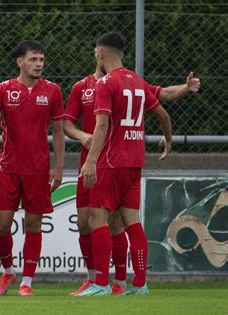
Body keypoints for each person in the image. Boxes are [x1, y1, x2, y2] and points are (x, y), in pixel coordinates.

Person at [64, 66, 200, 296]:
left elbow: (165, 94)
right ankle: (130, 283)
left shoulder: (118, 83)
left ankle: (110, 282)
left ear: (101, 53)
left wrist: (185, 88)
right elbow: (66, 124)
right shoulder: (84, 86)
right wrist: (81, 135)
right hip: (121, 161)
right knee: (88, 222)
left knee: (107, 222)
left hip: (104, 162)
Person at [77, 32, 172, 296]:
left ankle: (100, 284)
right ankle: (140, 284)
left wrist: (91, 161)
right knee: (132, 220)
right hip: (134, 161)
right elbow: (163, 113)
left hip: (110, 162)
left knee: (98, 218)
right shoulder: (137, 81)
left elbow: (102, 123)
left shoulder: (105, 83)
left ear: (100, 54)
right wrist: (168, 140)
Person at [0, 40, 65, 296]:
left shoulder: (53, 91)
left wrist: (59, 167)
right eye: (33, 59)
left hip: (38, 170)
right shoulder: (3, 89)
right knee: (1, 227)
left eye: (41, 60)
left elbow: (58, 131)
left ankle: (27, 281)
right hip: (8, 168)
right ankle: (8, 272)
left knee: (34, 225)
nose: (38, 64)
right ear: (20, 62)